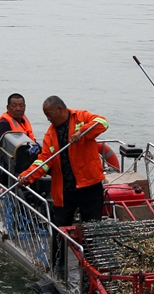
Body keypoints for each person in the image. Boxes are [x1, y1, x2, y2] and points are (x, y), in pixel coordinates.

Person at [17, 96, 108, 226]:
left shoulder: (81, 117)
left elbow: (103, 122)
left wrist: (81, 132)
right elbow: (44, 161)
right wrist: (28, 176)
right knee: (60, 227)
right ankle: (60, 247)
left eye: (49, 114)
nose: (48, 119)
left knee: (92, 225)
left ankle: (89, 246)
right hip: (64, 189)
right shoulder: (50, 134)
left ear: (60, 109)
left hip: (89, 185)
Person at [0, 93, 35, 161]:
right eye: (14, 106)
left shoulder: (23, 122)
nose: (18, 109)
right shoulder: (4, 125)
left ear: (25, 107)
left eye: (21, 106)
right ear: (7, 107)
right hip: (5, 165)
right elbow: (3, 151)